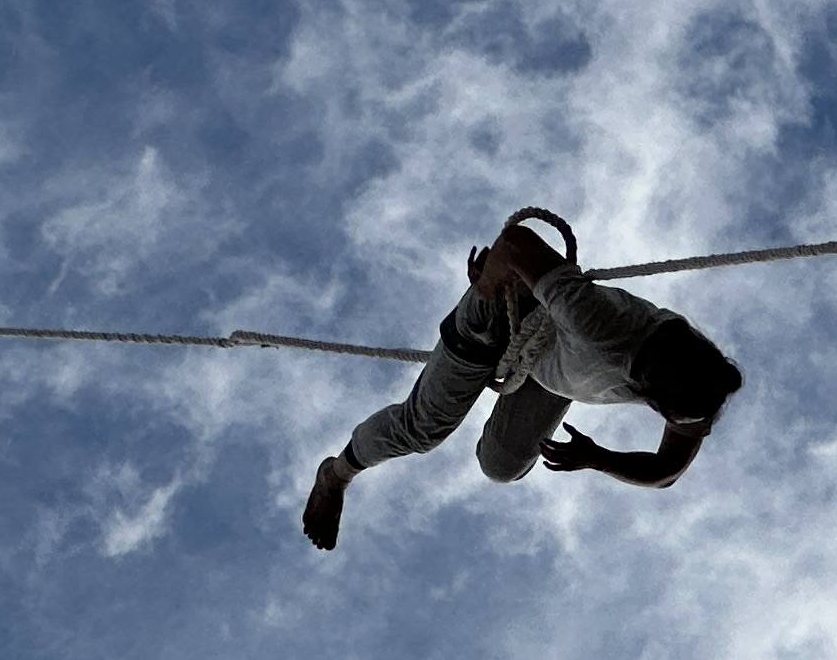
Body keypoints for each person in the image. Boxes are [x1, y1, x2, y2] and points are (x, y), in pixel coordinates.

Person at [300, 212, 743, 552]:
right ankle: (336, 476)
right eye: (658, 407)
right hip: (502, 316)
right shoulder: (600, 325)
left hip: (557, 369)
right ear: (647, 382)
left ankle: (518, 367)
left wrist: (598, 458)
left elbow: (666, 471)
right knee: (423, 430)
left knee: (501, 465)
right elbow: (515, 242)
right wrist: (490, 285)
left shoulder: (700, 386)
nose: (661, 415)